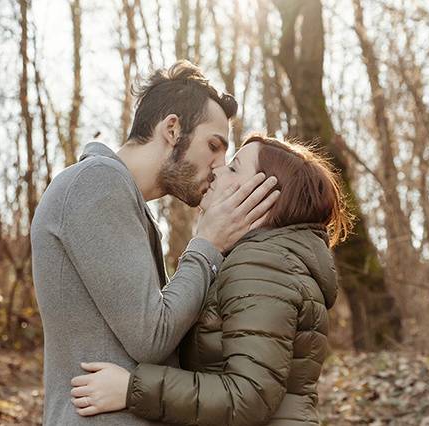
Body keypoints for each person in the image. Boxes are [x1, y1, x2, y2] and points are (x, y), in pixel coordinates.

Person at [30, 62, 280, 426]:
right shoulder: (95, 184)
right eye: (214, 146)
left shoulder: (124, 202)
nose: (219, 166)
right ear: (173, 129)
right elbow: (152, 336)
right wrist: (207, 242)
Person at [69, 134, 355, 425]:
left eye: (233, 168)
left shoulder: (262, 266)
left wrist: (133, 388)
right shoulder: (268, 261)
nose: (217, 170)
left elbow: (249, 395)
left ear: (265, 197)